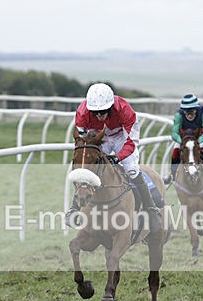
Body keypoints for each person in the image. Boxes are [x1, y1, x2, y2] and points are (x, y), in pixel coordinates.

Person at [67, 82, 162, 230]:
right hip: (98, 138)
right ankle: (74, 209)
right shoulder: (82, 112)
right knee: (86, 167)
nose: (99, 115)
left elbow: (131, 142)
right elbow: (80, 143)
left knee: (131, 169)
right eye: (95, 112)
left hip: (121, 137)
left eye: (103, 111)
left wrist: (118, 157)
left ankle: (151, 209)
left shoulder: (125, 110)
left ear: (111, 107)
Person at [163, 93, 203, 185]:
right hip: (184, 139)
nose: (189, 115)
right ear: (183, 111)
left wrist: (198, 141)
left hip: (199, 137)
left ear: (196, 109)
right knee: (175, 152)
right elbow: (174, 133)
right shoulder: (178, 116)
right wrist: (182, 142)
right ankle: (172, 173)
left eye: (192, 112)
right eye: (186, 112)